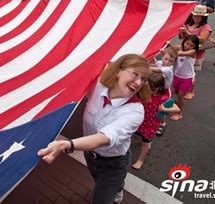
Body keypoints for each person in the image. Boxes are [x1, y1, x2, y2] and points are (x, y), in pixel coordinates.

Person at [38, 54, 151, 204]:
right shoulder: (98, 85)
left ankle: (117, 188)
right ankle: (117, 187)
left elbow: (103, 138)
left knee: (101, 200)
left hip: (114, 164)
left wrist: (67, 144)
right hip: (90, 156)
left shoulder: (135, 112)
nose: (138, 82)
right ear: (118, 71)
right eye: (135, 74)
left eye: (143, 79)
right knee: (97, 180)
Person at [132, 72, 180, 170]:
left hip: (151, 125)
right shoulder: (142, 93)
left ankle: (141, 159)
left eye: (152, 89)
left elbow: (177, 109)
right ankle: (148, 143)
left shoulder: (162, 98)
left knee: (145, 143)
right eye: (147, 88)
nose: (149, 91)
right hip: (139, 122)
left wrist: (164, 109)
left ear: (159, 88)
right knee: (138, 135)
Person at [170, 35, 200, 121]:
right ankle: (179, 102)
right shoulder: (180, 47)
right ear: (184, 42)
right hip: (177, 76)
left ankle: (179, 113)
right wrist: (168, 45)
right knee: (176, 91)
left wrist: (174, 51)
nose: (188, 47)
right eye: (187, 44)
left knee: (180, 96)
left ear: (195, 47)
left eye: (191, 45)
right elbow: (172, 46)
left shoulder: (193, 52)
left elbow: (183, 53)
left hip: (187, 78)